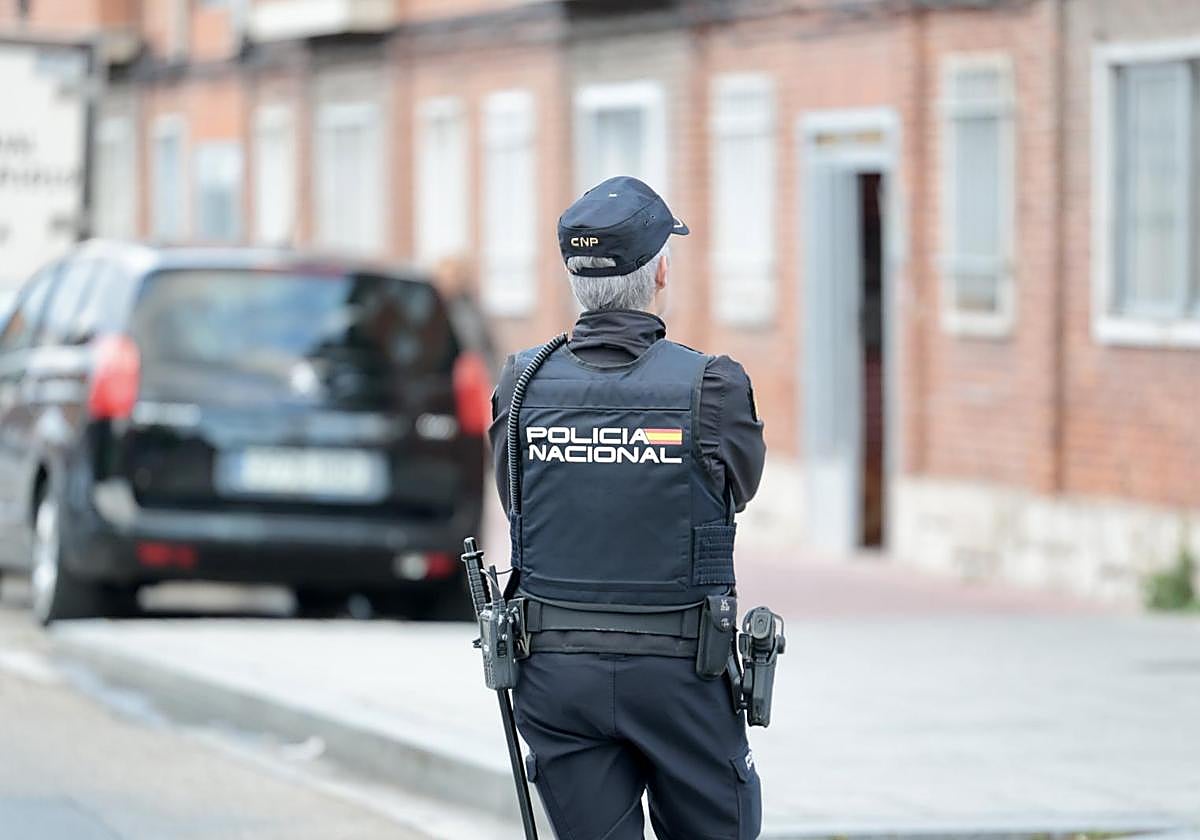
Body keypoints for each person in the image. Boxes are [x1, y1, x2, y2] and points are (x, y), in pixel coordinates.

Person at [488, 176, 767, 839]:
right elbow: (741, 489)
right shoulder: (713, 384)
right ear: (660, 271)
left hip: (556, 675)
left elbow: (513, 497)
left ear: (575, 279)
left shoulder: (522, 383)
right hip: (682, 676)